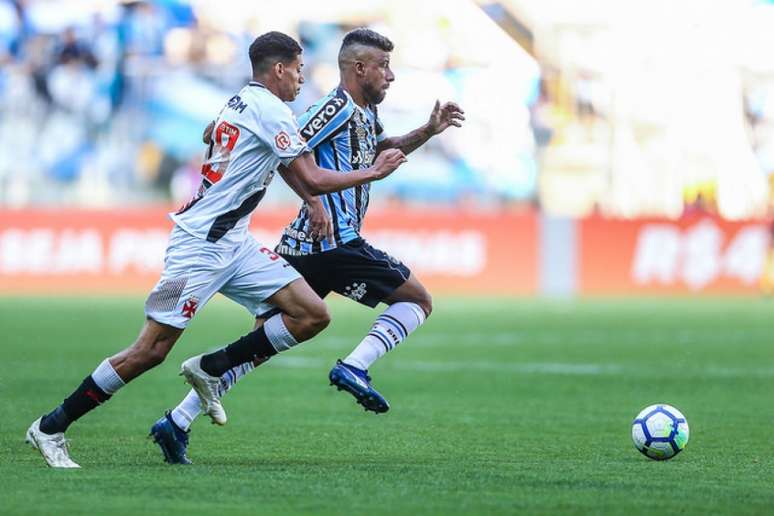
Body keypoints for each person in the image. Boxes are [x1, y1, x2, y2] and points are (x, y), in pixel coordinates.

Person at [26, 30, 407, 469]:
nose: (303, 78)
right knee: (148, 351)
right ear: (279, 69)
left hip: (235, 243)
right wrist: (372, 173)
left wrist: (312, 198)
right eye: (299, 69)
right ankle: (51, 427)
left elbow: (230, 140)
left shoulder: (241, 100)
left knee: (311, 313)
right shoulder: (272, 112)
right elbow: (314, 175)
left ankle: (211, 366)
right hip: (197, 249)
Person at [150, 28, 464, 465]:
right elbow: (283, 148)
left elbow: (378, 150)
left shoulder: (363, 112)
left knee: (263, 342)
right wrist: (313, 199)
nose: (390, 76)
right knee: (417, 301)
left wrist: (428, 131)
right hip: (332, 243)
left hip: (304, 246)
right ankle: (355, 366)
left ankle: (176, 422)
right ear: (359, 68)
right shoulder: (333, 107)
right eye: (384, 67)